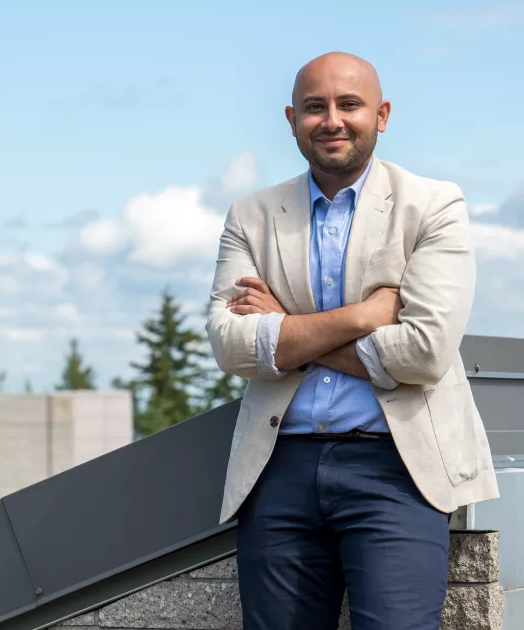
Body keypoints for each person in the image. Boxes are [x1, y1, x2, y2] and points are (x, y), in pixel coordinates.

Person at [204, 51, 500, 630]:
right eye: (315, 108)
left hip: (397, 467)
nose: (332, 120)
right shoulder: (253, 214)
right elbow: (230, 344)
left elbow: (425, 352)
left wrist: (288, 326)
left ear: (382, 114)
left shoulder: (432, 205)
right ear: (292, 119)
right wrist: (364, 316)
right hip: (278, 468)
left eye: (350, 105)